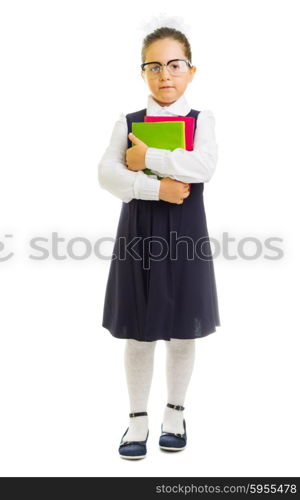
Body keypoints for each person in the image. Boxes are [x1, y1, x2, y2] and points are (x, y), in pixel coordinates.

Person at [98, 25, 221, 459]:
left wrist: (145, 158)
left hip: (186, 235)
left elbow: (203, 164)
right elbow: (107, 174)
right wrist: (157, 188)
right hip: (139, 235)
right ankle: (136, 420)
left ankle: (174, 413)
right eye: (155, 66)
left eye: (174, 65)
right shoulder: (128, 121)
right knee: (140, 332)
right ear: (143, 72)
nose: (165, 75)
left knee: (184, 331)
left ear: (190, 71)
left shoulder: (200, 120)